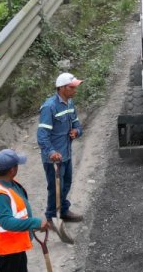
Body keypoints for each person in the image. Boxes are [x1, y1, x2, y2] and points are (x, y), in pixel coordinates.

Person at [0, 148, 47, 272]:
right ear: (12, 170)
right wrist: (35, 223)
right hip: (8, 247)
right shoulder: (0, 195)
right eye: (17, 165)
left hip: (11, 243)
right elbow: (6, 222)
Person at [37, 73, 85, 226]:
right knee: (55, 188)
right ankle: (51, 218)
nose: (75, 90)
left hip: (66, 154)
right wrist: (51, 152)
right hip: (54, 158)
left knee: (66, 184)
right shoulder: (49, 107)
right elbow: (42, 135)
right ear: (62, 88)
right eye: (72, 87)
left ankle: (63, 211)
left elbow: (77, 125)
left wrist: (76, 131)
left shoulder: (70, 104)